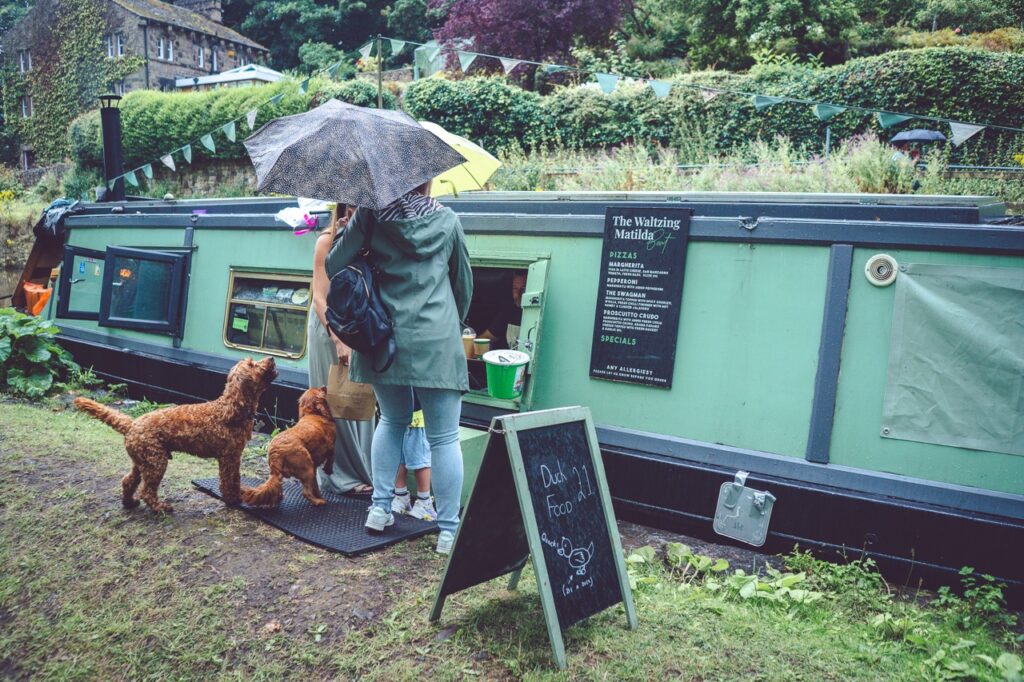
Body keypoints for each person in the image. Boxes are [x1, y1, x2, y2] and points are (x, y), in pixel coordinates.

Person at [325, 183, 472, 555]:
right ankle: (449, 531)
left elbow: (333, 265)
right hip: (436, 339)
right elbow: (463, 285)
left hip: (383, 337)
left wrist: (351, 230)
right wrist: (448, 328)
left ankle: (379, 509)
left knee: (391, 421)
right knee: (444, 438)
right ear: (426, 181)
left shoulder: (370, 215)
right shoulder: (449, 220)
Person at [308, 204, 374, 497]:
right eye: (354, 204)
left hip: (359, 325)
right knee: (335, 400)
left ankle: (365, 470)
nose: (359, 209)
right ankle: (339, 477)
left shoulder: (371, 240)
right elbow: (320, 297)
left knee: (362, 399)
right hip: (329, 326)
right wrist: (337, 339)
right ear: (344, 206)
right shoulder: (326, 240)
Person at [390, 390, 436, 520]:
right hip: (409, 415)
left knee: (411, 459)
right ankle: (412, 499)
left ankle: (413, 499)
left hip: (408, 415)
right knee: (409, 459)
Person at [467, 269, 527, 350]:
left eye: (523, 289)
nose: (517, 295)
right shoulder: (509, 311)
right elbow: (486, 337)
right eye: (515, 288)